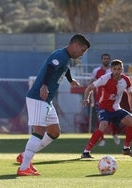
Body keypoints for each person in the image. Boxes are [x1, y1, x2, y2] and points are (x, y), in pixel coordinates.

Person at [16, 33, 90, 176]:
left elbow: (65, 68)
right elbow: (51, 67)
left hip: (46, 101)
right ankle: (23, 167)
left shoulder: (65, 57)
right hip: (39, 97)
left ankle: (24, 156)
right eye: (82, 50)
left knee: (55, 132)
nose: (82, 54)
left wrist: (70, 80)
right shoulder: (61, 55)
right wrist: (44, 85)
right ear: (75, 45)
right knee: (39, 131)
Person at [81, 59, 132, 158]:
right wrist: (86, 99)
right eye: (115, 69)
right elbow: (89, 88)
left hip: (116, 109)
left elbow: (130, 93)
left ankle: (126, 149)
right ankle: (86, 152)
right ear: (111, 69)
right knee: (102, 126)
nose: (117, 71)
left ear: (122, 69)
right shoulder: (105, 78)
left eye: (119, 69)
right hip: (104, 108)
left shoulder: (126, 80)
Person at [89, 53, 120, 146]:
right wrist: (91, 99)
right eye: (104, 58)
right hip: (100, 100)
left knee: (114, 119)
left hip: (113, 100)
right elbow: (91, 85)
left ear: (109, 60)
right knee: (101, 120)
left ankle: (114, 133)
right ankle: (102, 139)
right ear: (101, 60)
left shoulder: (113, 71)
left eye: (107, 58)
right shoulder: (96, 71)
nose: (106, 60)